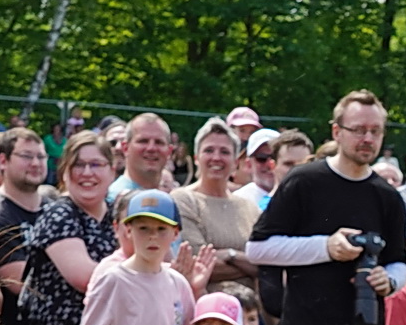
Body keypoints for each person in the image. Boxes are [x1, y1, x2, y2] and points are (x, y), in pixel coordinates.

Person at [245, 89, 406, 325]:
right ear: (337, 132)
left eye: (375, 131)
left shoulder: (388, 196)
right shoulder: (303, 182)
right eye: (358, 129)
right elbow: (258, 248)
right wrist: (327, 247)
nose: (367, 139)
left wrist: (389, 279)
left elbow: (401, 262)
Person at [74, 190, 209, 325]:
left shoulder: (177, 282)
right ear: (129, 230)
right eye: (143, 228)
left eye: (161, 229)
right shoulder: (113, 280)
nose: (153, 236)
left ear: (175, 233)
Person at [19, 130, 119, 325]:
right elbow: (85, 278)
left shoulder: (118, 214)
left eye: (96, 164)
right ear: (64, 172)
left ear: (112, 171)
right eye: (78, 164)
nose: (86, 172)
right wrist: (143, 274)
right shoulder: (59, 214)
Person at [170, 117, 261, 290]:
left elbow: (266, 263)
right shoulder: (182, 200)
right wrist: (250, 266)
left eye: (225, 152)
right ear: (197, 158)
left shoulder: (249, 208)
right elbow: (194, 265)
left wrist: (229, 255)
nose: (216, 158)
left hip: (251, 311)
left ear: (235, 162)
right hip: (205, 310)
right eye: (209, 150)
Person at [0, 127, 49, 325]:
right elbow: (19, 281)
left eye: (41, 156)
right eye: (26, 156)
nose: (35, 163)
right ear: (3, 161)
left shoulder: (53, 210)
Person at [108, 113, 174, 202]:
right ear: (125, 148)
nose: (151, 148)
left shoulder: (173, 200)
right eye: (143, 141)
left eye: (159, 142)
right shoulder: (113, 200)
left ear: (169, 151)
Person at [232, 128, 280, 209]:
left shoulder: (300, 197)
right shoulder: (237, 203)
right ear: (249, 164)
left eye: (274, 157)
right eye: (261, 158)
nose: (269, 164)